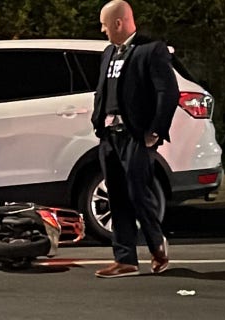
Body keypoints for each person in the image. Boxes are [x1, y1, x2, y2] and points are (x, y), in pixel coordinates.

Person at [91, 0, 179, 278]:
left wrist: (155, 130)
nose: (102, 29)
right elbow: (102, 91)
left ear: (118, 23)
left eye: (105, 24)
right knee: (115, 196)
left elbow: (168, 92)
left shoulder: (151, 50)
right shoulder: (108, 53)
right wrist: (98, 123)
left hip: (135, 135)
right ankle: (125, 259)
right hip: (110, 136)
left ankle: (157, 245)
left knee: (137, 192)